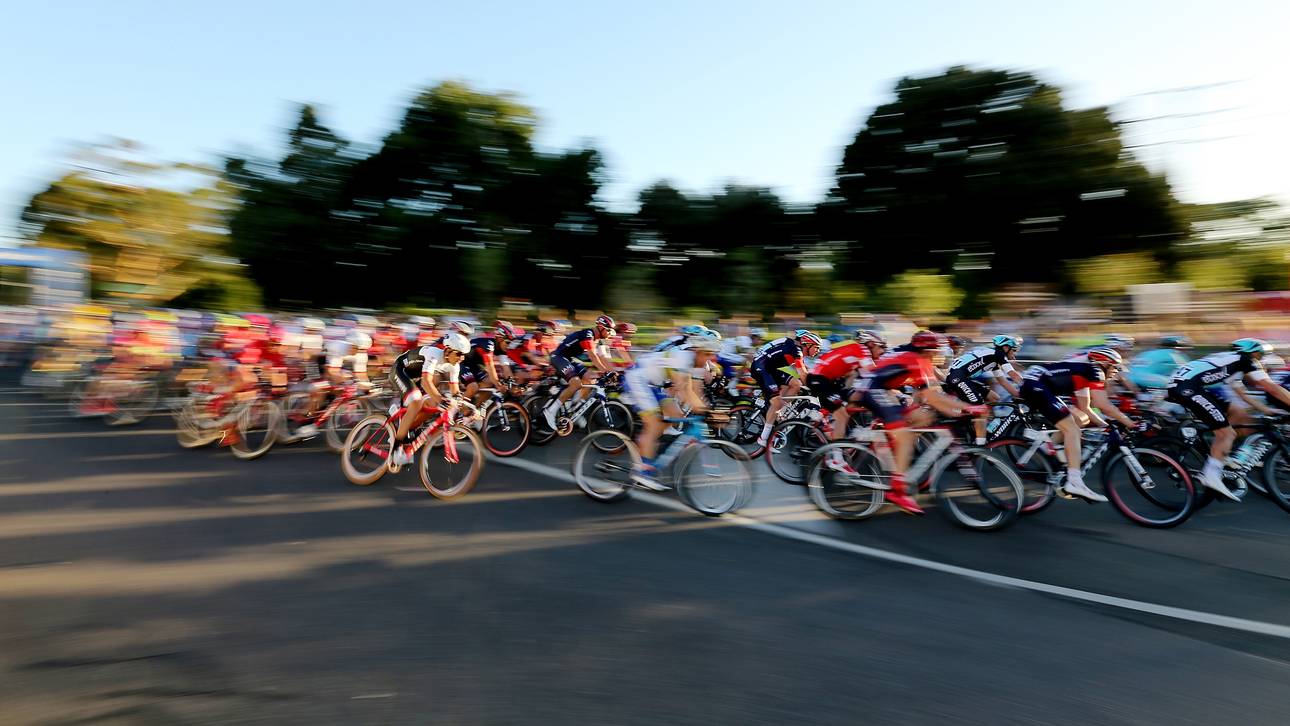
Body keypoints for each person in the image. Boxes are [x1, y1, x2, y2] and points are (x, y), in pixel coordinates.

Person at [854, 331, 981, 514]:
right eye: (936, 350)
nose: (939, 354)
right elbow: (932, 397)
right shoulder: (914, 359)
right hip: (872, 389)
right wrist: (969, 408)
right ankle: (897, 490)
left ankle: (891, 448)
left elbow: (930, 394)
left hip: (882, 388)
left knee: (924, 418)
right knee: (905, 435)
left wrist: (955, 410)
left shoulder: (921, 359)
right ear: (927, 350)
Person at [1167, 338, 1290, 500]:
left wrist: (1265, 409)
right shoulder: (1244, 360)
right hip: (1188, 388)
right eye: (1260, 354)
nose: (1260, 358)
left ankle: (1220, 454)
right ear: (1252, 352)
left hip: (1188, 386)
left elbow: (1241, 393)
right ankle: (1211, 475)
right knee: (1227, 434)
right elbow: (1272, 388)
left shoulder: (1230, 361)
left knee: (1236, 411)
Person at [1019, 347, 1139, 503]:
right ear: (1104, 363)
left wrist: (1106, 425)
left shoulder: (1083, 375)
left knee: (1080, 419)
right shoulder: (1095, 371)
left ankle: (1046, 449)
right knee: (1073, 431)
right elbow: (1103, 404)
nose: (1116, 371)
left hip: (1035, 384)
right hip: (1036, 386)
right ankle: (1074, 481)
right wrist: (1131, 424)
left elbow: (1086, 408)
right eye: (1115, 366)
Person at [622, 336, 721, 490]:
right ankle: (642, 471)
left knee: (676, 416)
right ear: (697, 351)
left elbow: (696, 392)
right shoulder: (682, 357)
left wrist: (709, 411)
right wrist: (706, 412)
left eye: (713, 354)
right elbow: (683, 390)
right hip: (637, 379)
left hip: (652, 384)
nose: (711, 358)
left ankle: (646, 448)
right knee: (654, 425)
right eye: (708, 354)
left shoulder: (698, 363)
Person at [388, 332, 471, 466]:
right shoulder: (434, 354)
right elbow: (426, 383)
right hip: (400, 370)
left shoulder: (455, 365)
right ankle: (396, 447)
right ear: (448, 350)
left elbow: (455, 392)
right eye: (459, 354)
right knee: (416, 401)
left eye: (463, 355)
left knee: (433, 405)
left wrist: (468, 408)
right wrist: (441, 399)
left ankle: (405, 422)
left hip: (415, 377)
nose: (462, 358)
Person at [805, 333, 879, 472]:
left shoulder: (856, 351)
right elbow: (874, 374)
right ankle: (836, 459)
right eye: (880, 347)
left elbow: (861, 378)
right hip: (820, 379)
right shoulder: (862, 350)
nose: (881, 351)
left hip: (827, 379)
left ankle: (824, 421)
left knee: (851, 401)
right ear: (871, 344)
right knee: (842, 416)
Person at [944, 334, 1024, 444]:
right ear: (1006, 348)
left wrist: (1019, 395)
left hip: (960, 378)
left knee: (994, 397)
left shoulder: (993, 358)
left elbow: (1003, 382)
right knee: (981, 411)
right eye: (1014, 350)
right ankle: (980, 445)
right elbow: (1013, 375)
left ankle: (971, 425)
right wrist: (1028, 388)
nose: (1015, 354)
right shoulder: (998, 355)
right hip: (958, 378)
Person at [751, 330, 824, 448]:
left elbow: (804, 371)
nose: (818, 351)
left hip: (768, 367)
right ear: (808, 344)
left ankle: (779, 412)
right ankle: (763, 438)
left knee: (796, 384)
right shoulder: (797, 350)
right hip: (761, 368)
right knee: (776, 402)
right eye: (817, 347)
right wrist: (817, 389)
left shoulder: (795, 348)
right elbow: (803, 374)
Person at [543, 315, 617, 429]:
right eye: (609, 330)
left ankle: (575, 409)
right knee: (576, 383)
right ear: (601, 327)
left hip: (569, 359)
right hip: (558, 357)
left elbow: (600, 357)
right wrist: (606, 371)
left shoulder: (596, 340)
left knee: (592, 378)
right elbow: (593, 356)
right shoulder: (588, 334)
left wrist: (610, 372)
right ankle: (550, 411)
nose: (610, 334)